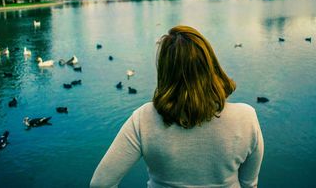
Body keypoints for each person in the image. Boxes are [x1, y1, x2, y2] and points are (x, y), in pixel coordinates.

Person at [90, 25, 264, 188]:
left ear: (165, 70)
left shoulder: (144, 118)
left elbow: (100, 184)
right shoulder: (246, 117)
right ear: (210, 64)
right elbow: (249, 184)